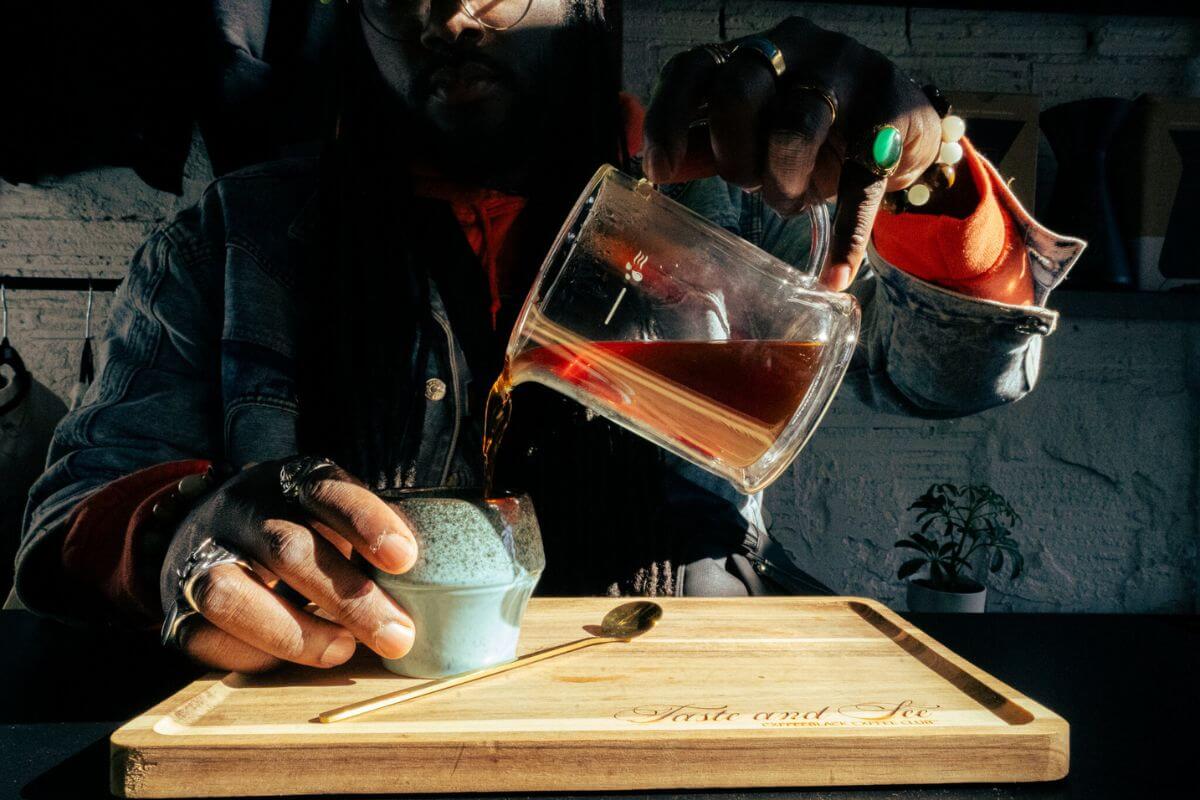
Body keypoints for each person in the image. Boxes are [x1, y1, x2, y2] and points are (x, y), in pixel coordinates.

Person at [15, 0, 1081, 673]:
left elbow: (952, 378)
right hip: (353, 724)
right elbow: (68, 516)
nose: (451, 11)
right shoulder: (237, 239)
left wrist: (937, 189)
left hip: (688, 709)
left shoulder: (734, 201)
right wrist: (175, 535)